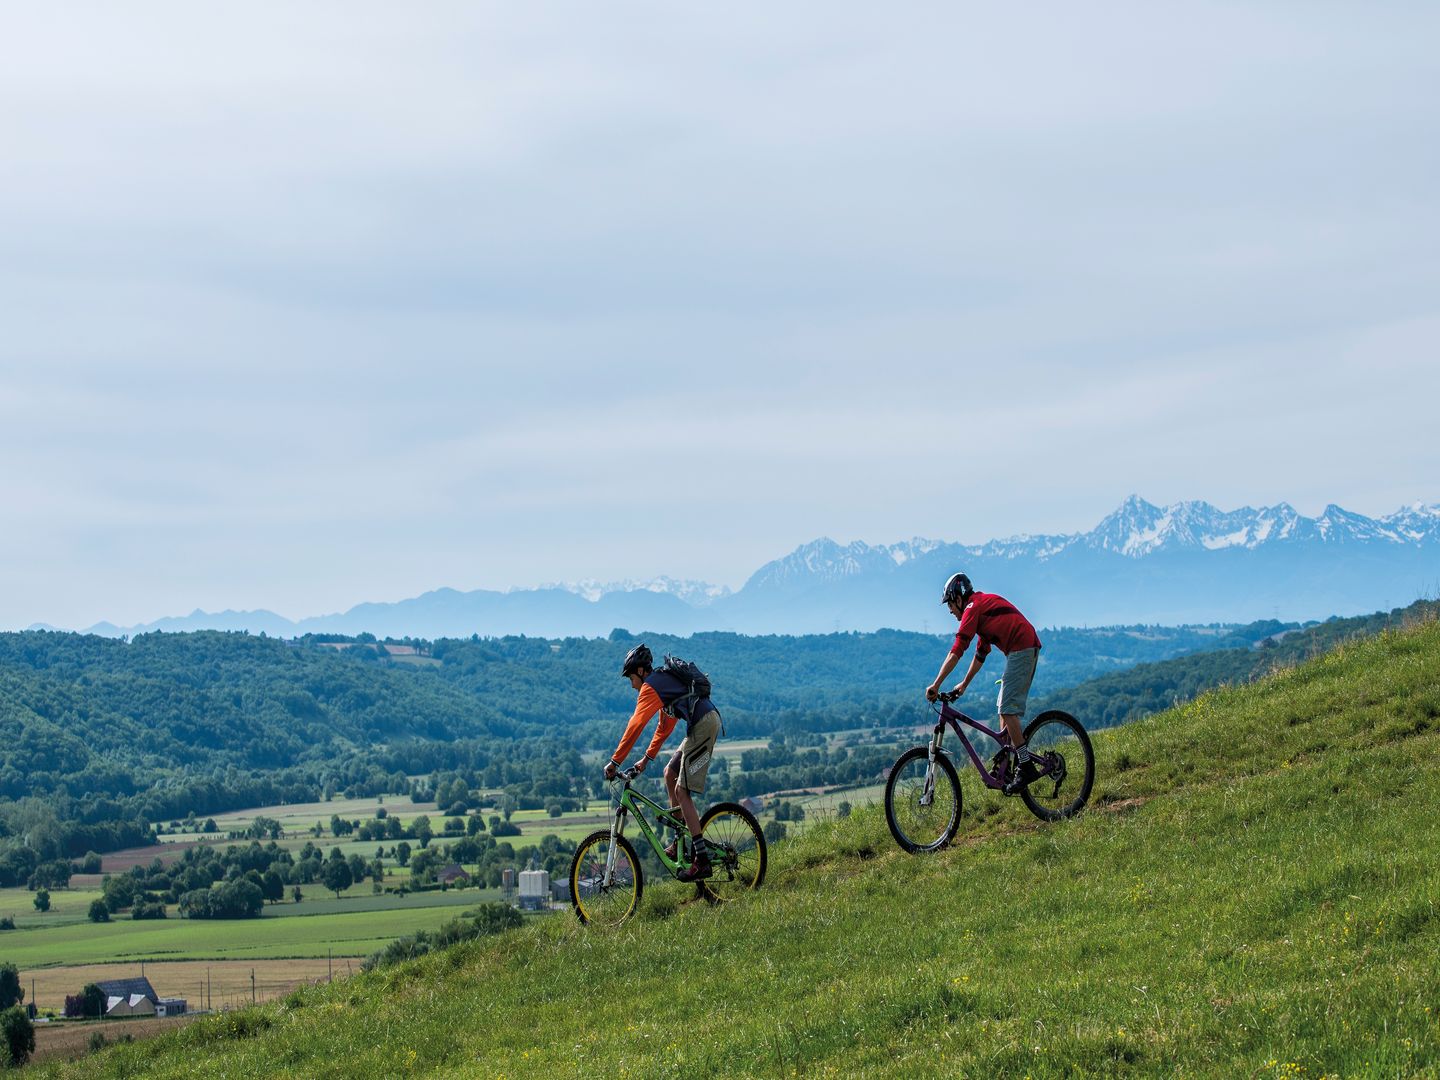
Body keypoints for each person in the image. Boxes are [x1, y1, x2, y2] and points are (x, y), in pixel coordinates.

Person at [604, 643, 723, 882]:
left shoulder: (651, 687)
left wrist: (615, 762)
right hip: (702, 724)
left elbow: (636, 725)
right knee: (669, 773)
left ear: (640, 671)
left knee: (681, 790)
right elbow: (663, 728)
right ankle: (679, 841)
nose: (631, 684)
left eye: (630, 677)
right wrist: (645, 761)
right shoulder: (662, 685)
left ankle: (701, 859)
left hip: (703, 724)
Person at [925, 573, 1043, 794]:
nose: (950, 610)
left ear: (959, 599)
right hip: (1021, 649)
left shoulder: (972, 607)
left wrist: (936, 684)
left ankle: (1025, 765)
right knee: (1003, 710)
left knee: (1008, 710)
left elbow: (958, 648)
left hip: (1023, 648)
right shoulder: (980, 609)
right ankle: (1009, 765)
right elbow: (980, 653)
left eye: (950, 604)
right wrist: (964, 684)